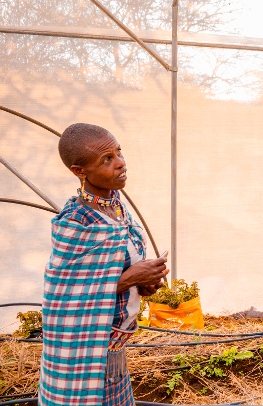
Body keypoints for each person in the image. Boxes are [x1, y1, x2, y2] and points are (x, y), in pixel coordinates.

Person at [39, 123, 168, 406]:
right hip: (80, 356)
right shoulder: (76, 222)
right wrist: (131, 276)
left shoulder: (116, 206)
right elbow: (65, 296)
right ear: (79, 171)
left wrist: (144, 283)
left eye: (118, 152)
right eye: (106, 159)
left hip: (113, 355)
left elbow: (109, 273)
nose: (120, 163)